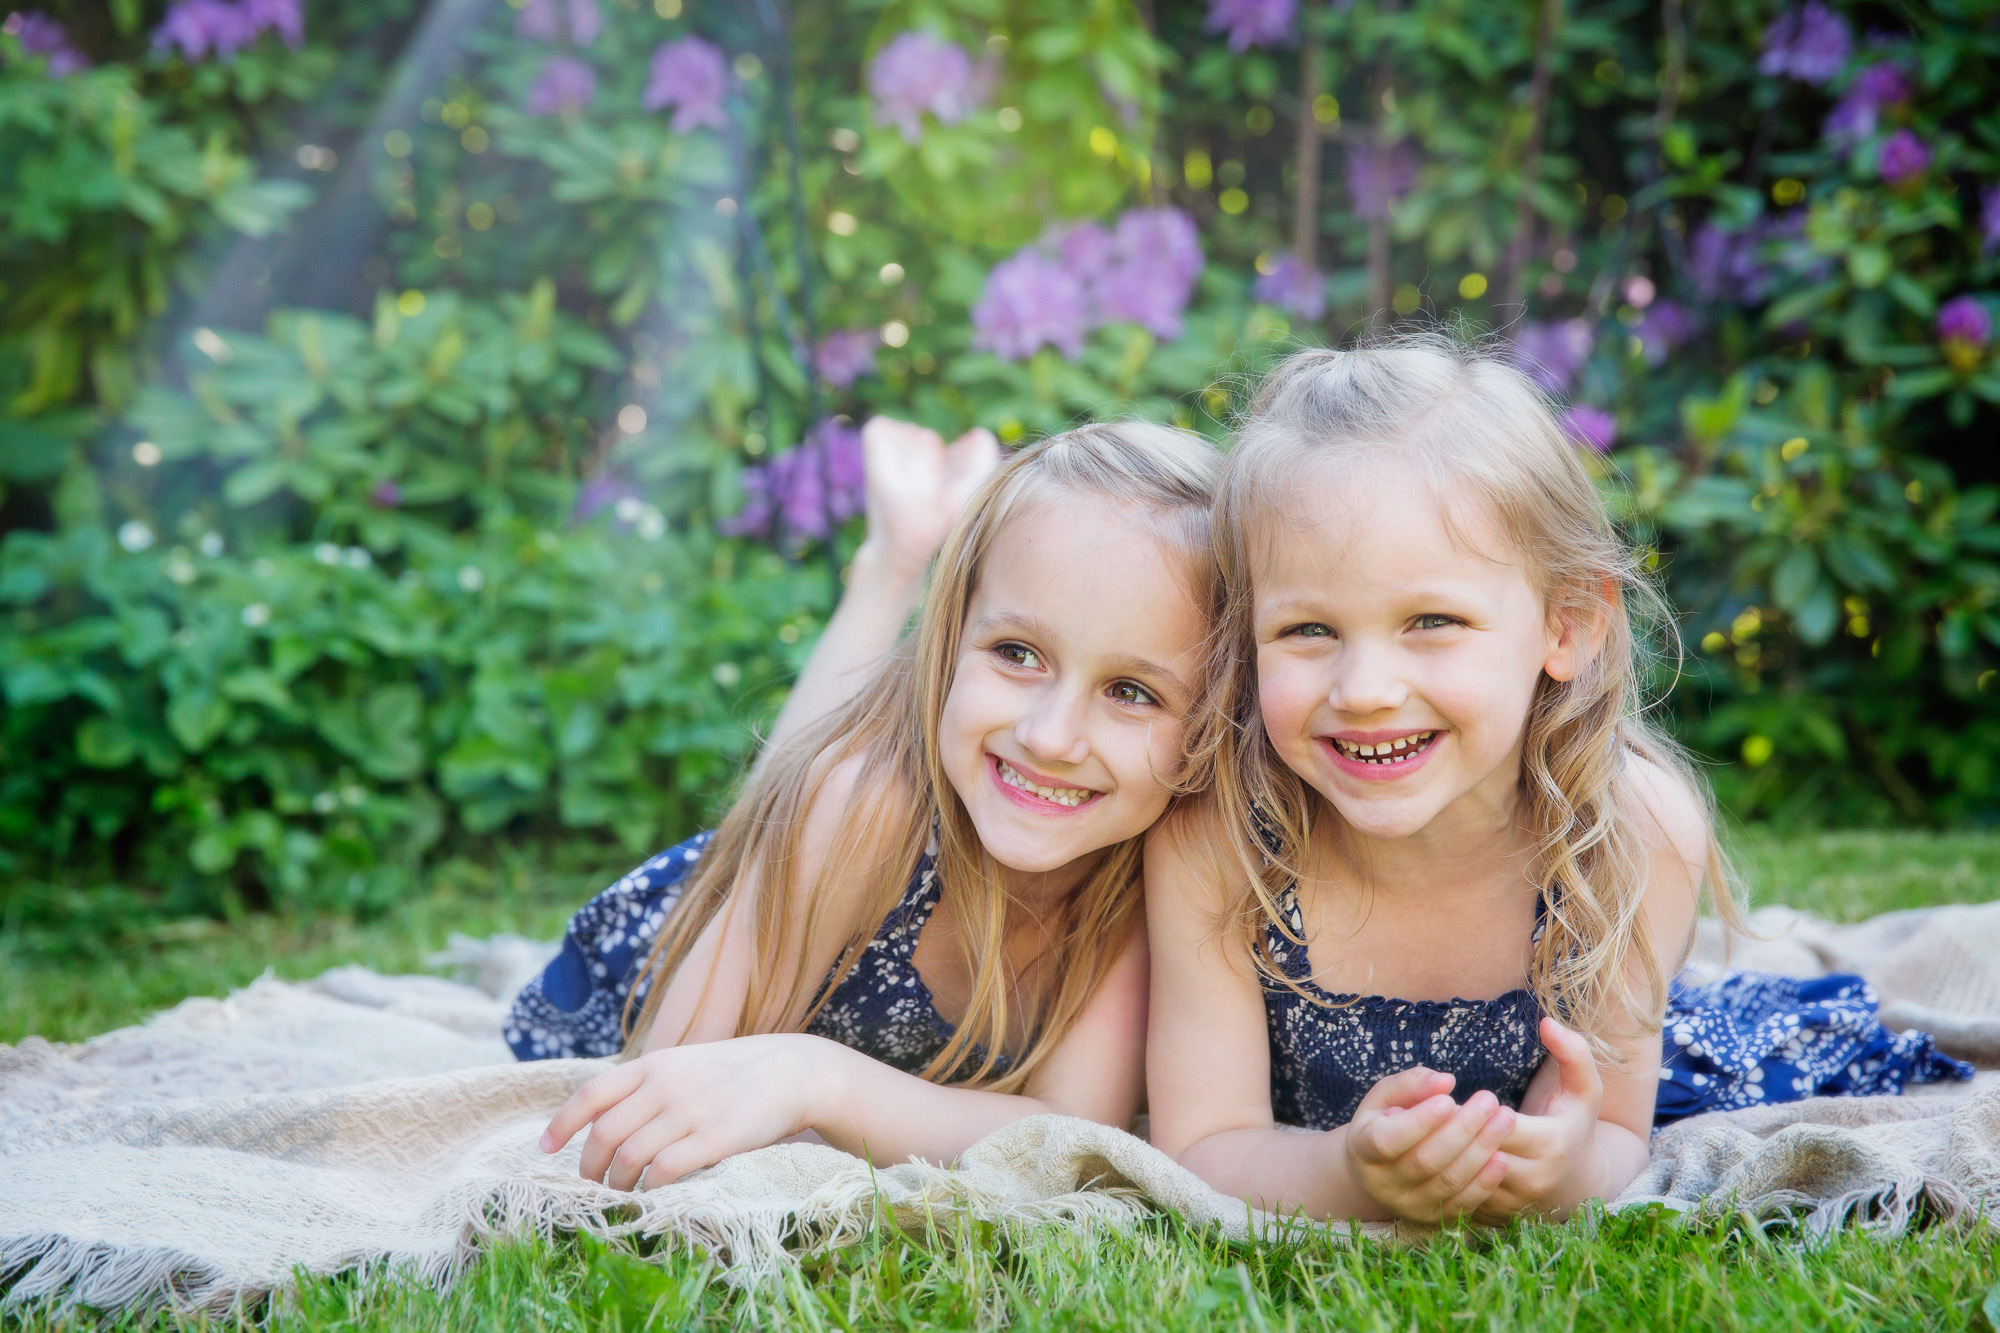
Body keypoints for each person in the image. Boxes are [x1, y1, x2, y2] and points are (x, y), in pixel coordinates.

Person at [1144, 337, 1970, 1225]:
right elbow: (1200, 1144)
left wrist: (1557, 1170)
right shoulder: (1220, 839)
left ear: (1565, 624)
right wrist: (1350, 1175)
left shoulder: (1632, 829)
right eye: (1307, 629)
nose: (1365, 691)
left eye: (1432, 620)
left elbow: (1616, 1128)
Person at [512, 415, 1223, 1191]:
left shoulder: (1153, 873)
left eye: (1131, 692)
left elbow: (1066, 1134)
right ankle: (891, 563)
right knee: (817, 785)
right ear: (950, 638)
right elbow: (663, 1079)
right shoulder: (867, 806)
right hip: (683, 941)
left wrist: (819, 1077)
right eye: (1017, 652)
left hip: (818, 930)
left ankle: (895, 553)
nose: (1050, 737)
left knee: (813, 780)